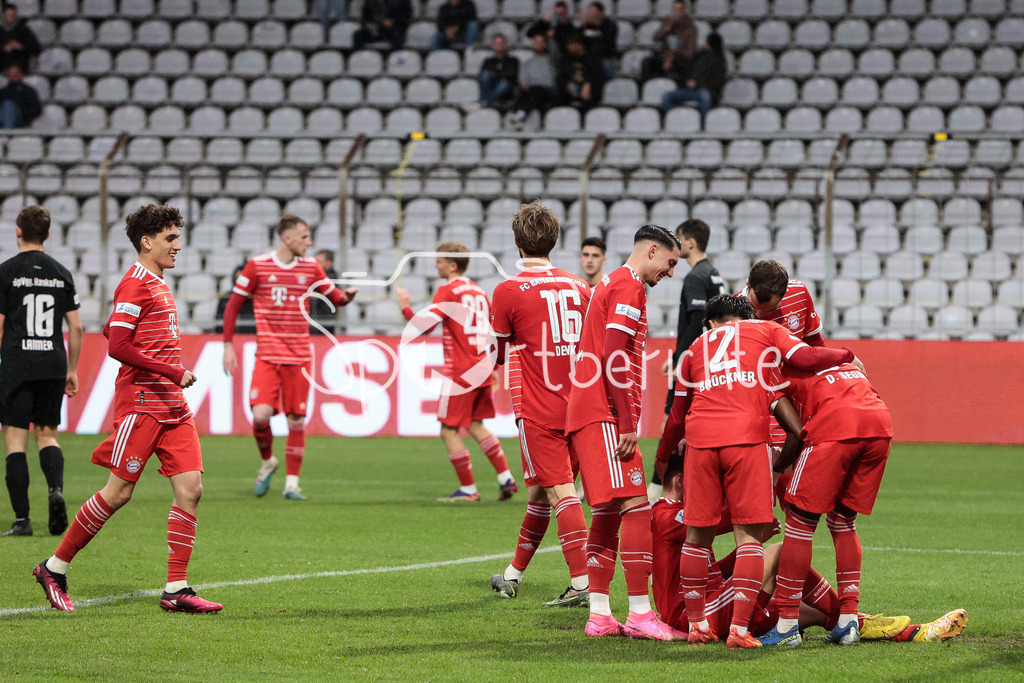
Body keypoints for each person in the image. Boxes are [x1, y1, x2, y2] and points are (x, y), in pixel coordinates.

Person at [32, 204, 222, 614]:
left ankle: (176, 589)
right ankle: (54, 567)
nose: (178, 245)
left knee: (191, 491)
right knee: (118, 493)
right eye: (171, 238)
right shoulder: (135, 283)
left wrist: (171, 379)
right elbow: (116, 344)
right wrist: (171, 370)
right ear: (146, 241)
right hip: (142, 405)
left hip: (172, 406)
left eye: (177, 236)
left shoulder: (158, 282)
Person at [658, 294, 857, 648]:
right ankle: (738, 630)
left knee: (696, 538)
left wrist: (663, 456)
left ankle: (696, 626)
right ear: (747, 316)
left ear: (715, 322)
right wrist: (847, 356)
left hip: (701, 442)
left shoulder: (696, 347)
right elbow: (807, 356)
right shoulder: (764, 331)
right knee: (750, 536)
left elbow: (677, 414)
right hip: (745, 439)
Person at [652, 454, 969, 644]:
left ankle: (912, 632)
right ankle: (851, 619)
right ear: (681, 481)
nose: (709, 489)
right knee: (780, 554)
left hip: (716, 601)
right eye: (703, 480)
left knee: (815, 612)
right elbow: (714, 520)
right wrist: (752, 514)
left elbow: (712, 572)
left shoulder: (679, 521)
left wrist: (748, 549)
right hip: (692, 617)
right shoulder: (664, 514)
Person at [564, 224, 681, 641]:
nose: (669, 272)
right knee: (636, 508)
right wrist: (627, 423)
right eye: (670, 262)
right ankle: (639, 613)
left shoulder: (613, 282)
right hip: (604, 414)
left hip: (589, 409)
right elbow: (613, 352)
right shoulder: (629, 287)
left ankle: (599, 614)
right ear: (652, 250)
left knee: (609, 512)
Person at [487, 203, 591, 606]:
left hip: (539, 406)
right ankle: (512, 574)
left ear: (516, 241)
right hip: (580, 404)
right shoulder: (581, 286)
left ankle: (582, 585)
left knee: (561, 492)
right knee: (540, 493)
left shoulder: (508, 290)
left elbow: (497, 353)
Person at [221, 215, 358, 501]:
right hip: (268, 356)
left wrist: (347, 297)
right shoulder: (258, 265)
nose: (309, 242)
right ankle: (268, 461)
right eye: (304, 237)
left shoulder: (311, 267)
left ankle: (292, 485)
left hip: (299, 357)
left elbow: (335, 298)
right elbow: (233, 306)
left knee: (296, 419)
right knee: (260, 416)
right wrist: (227, 345)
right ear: (287, 238)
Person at [758, 361, 894, 647]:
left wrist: (776, 471)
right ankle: (848, 622)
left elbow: (797, 434)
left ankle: (786, 626)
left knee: (800, 524)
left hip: (837, 427)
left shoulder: (778, 372)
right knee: (843, 521)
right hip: (880, 424)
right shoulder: (845, 363)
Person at [396, 241, 518, 502]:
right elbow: (489, 332)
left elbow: (425, 326)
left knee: (448, 430)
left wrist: (405, 307)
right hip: (482, 367)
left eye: (439, 260)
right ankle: (505, 477)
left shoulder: (448, 290)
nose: (435, 264)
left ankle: (468, 490)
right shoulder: (479, 292)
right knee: (476, 425)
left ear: (452, 265)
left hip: (460, 371)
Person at [0, 206, 82, 538]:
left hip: (18, 363)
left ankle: (22, 520)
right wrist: (72, 369)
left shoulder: (6, 272)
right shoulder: (61, 272)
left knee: (14, 439)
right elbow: (75, 327)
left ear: (18, 231)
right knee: (47, 435)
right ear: (47, 235)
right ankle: (55, 491)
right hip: (52, 362)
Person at [651, 219, 727, 499]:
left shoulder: (695, 277)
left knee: (670, 425)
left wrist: (679, 359)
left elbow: (697, 319)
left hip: (693, 364)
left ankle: (659, 495)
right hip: (709, 361)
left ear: (691, 242)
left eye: (680, 239)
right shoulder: (714, 273)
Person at [661, 32, 727, 130]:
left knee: (705, 97)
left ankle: (702, 127)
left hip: (705, 90)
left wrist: (697, 84)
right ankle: (676, 123)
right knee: (666, 97)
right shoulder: (700, 55)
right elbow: (687, 67)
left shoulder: (720, 60)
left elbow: (717, 82)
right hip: (689, 90)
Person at [506, 32, 559, 130]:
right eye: (536, 42)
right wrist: (524, 84)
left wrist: (551, 39)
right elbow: (523, 79)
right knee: (525, 92)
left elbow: (555, 50)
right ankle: (516, 117)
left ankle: (519, 115)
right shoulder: (527, 63)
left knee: (537, 90)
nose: (538, 44)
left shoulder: (551, 60)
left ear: (545, 44)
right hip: (532, 91)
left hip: (548, 91)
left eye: (540, 42)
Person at [642, 0, 697, 82]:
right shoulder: (668, 23)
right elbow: (656, 38)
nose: (677, 12)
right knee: (647, 62)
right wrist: (666, 28)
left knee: (678, 65)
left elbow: (689, 51)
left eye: (679, 9)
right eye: (675, 9)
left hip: (680, 59)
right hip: (664, 57)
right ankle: (648, 86)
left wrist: (671, 58)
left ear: (684, 10)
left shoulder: (690, 28)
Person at [558, 32, 604, 111]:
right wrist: (567, 83)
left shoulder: (591, 58)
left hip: (589, 91)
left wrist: (589, 84)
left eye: (570, 44)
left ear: (578, 44)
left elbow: (597, 76)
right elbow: (560, 77)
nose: (568, 47)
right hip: (571, 91)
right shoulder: (566, 59)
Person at [579, 1, 617, 80]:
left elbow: (606, 43)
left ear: (600, 13)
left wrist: (597, 25)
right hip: (589, 58)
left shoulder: (610, 25)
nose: (590, 14)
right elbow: (578, 39)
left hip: (604, 58)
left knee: (604, 66)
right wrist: (583, 26)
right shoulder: (587, 26)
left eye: (593, 12)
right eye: (589, 12)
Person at [478, 34, 518, 107]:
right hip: (490, 86)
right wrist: (499, 75)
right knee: (485, 74)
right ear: (492, 46)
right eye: (496, 43)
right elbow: (483, 77)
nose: (499, 45)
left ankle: (484, 102)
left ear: (505, 45)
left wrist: (495, 75)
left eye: (501, 43)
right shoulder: (488, 61)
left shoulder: (513, 60)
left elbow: (511, 75)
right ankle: (487, 101)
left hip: (505, 90)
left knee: (504, 84)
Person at [0, 3, 40, 72]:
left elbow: (36, 47)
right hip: (3, 68)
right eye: (8, 15)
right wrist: (3, 49)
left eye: (13, 15)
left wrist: (20, 46)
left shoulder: (24, 30)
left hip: (21, 69)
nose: (10, 17)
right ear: (3, 15)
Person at [0, 63, 41, 129]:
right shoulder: (3, 91)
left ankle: (6, 134)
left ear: (21, 74)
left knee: (8, 106)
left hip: (19, 118)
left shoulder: (28, 91)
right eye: (11, 74)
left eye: (16, 73)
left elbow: (37, 109)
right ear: (8, 76)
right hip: (2, 116)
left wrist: (20, 110)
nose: (13, 75)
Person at [311, 249, 340, 332]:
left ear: (329, 263)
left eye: (319, 261)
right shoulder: (315, 276)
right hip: (313, 318)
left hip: (326, 320)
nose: (316, 265)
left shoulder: (332, 278)